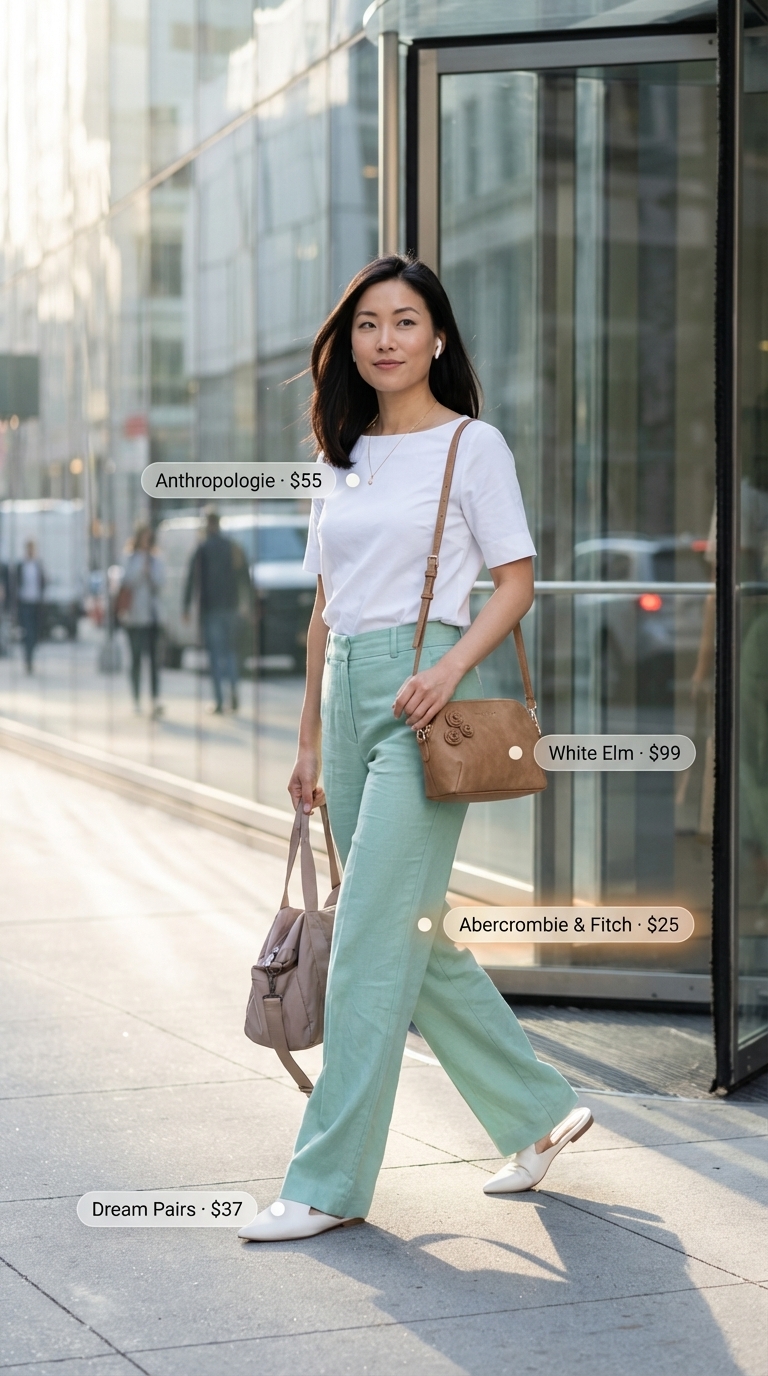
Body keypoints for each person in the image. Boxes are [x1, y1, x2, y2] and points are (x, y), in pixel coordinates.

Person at [239, 255, 592, 1244]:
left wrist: (447, 669)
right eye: (366, 324)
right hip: (349, 686)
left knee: (364, 937)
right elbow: (321, 608)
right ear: (348, 342)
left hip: (425, 685)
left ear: (438, 337)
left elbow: (517, 580)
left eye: (404, 320)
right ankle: (537, 1108)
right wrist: (308, 734)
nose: (384, 338)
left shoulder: (471, 446)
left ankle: (327, 1179)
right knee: (408, 928)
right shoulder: (340, 452)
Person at [183, 511, 249, 714]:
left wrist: (186, 606)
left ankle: (220, 700)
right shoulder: (232, 547)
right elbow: (245, 575)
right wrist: (247, 602)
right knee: (230, 652)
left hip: (211, 608)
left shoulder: (202, 549)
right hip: (230, 606)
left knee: (215, 655)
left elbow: (191, 579)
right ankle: (234, 692)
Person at [121, 524, 164, 717]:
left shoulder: (156, 560)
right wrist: (141, 570)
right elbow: (126, 581)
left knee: (154, 660)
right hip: (133, 617)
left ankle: (155, 699)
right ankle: (136, 698)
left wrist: (151, 573)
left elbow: (161, 583)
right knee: (136, 659)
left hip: (152, 617)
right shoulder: (130, 559)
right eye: (143, 538)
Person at [15, 540, 46, 673]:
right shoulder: (21, 566)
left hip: (36, 603)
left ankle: (30, 657)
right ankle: (28, 660)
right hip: (24, 603)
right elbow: (15, 583)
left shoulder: (37, 565)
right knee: (28, 632)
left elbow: (42, 582)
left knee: (35, 633)